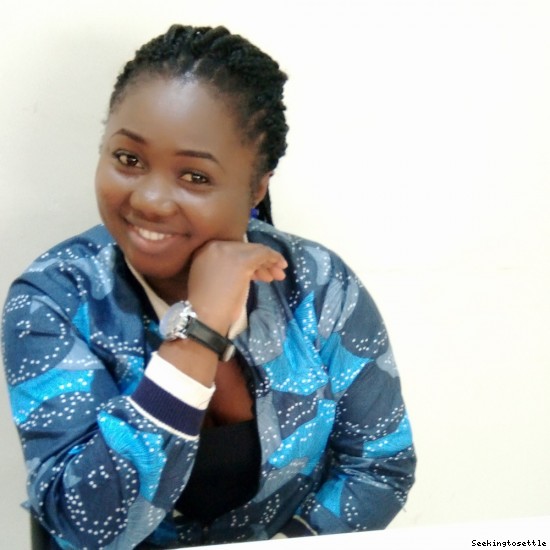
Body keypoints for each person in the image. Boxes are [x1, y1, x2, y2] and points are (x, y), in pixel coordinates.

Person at [2, 24, 416, 549]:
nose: (149, 199)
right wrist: (199, 333)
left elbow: (380, 467)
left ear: (256, 187)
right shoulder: (54, 301)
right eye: (129, 159)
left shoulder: (317, 285)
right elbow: (86, 529)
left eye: (194, 176)